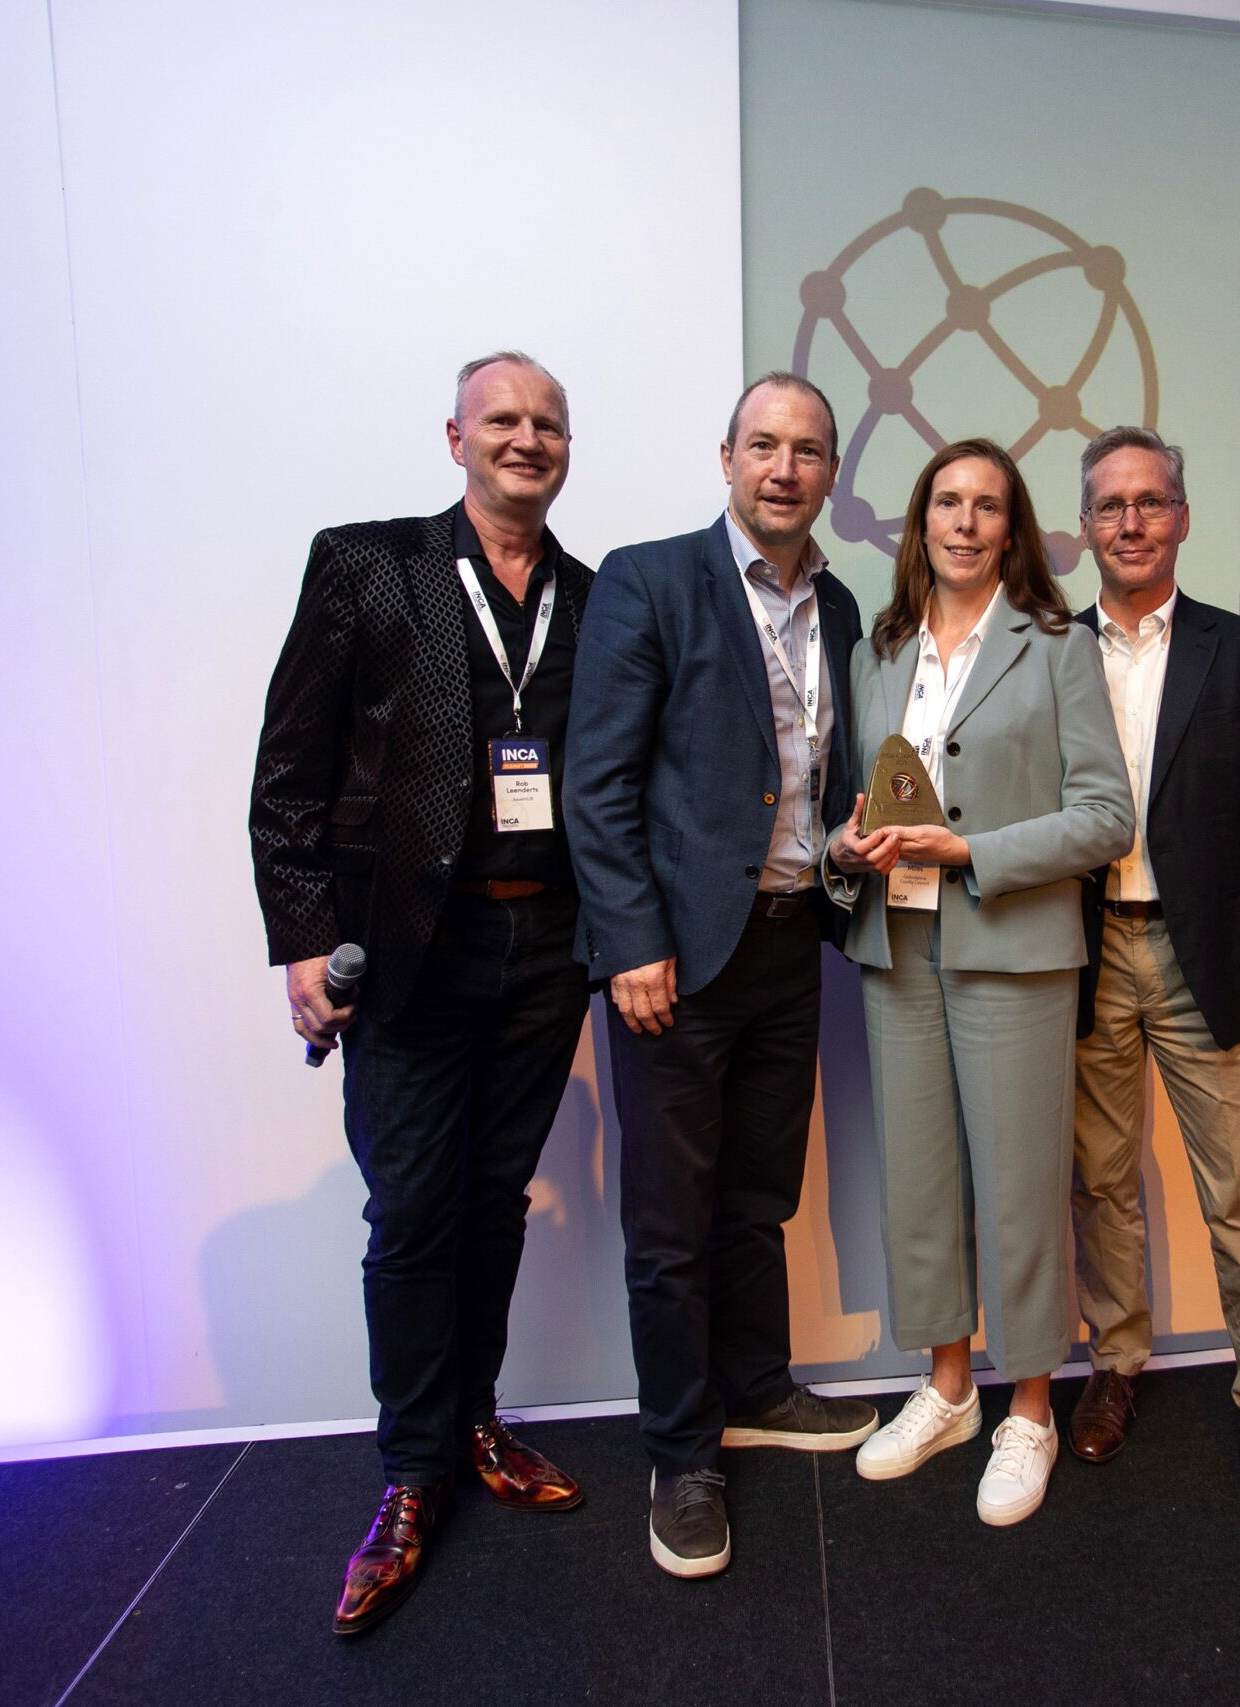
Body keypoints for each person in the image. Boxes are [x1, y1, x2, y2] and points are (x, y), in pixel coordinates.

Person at [250, 352, 596, 1635]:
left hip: (542, 954)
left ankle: (474, 1420)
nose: (526, 439)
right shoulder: (369, 564)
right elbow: (288, 769)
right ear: (455, 436)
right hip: (406, 954)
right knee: (410, 1214)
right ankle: (409, 1475)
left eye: (547, 424)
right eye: (502, 420)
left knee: (494, 1201)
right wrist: (303, 939)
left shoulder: (593, 598)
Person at [562, 372, 881, 1579]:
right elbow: (597, 785)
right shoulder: (650, 581)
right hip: (676, 963)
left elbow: (820, 774)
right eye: (763, 446)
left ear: (830, 472)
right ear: (725, 457)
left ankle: (757, 1390)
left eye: (807, 450)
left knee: (757, 1198)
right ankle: (682, 1453)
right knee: (669, 1224)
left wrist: (846, 847)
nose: (784, 469)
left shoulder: (840, 606)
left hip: (792, 940)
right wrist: (633, 943)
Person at [826, 438, 1133, 1526]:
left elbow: (1106, 816)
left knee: (1017, 1193)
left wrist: (973, 854)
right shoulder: (880, 650)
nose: (963, 522)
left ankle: (1033, 1407)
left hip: (1011, 947)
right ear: (920, 522)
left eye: (986, 506)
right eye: (945, 502)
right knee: (919, 1186)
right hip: (895, 946)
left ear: (1012, 529)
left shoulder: (1054, 646)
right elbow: (852, 806)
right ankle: (950, 1389)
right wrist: (846, 847)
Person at [1061, 425, 1240, 1519]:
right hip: (1080, 956)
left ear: (1182, 518)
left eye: (1150, 502)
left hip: (1199, 954)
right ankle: (1115, 1364)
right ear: (1084, 526)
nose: (1130, 521)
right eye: (1111, 505)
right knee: (1101, 1184)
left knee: (1239, 1200)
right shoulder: (1042, 650)